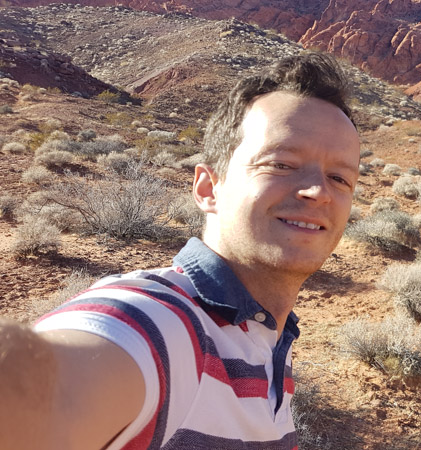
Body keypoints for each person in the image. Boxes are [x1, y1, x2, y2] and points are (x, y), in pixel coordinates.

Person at [0, 52, 361, 450]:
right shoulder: (160, 326)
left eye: (339, 177)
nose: (318, 191)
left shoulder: (269, 337)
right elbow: (42, 386)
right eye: (281, 164)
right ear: (208, 189)